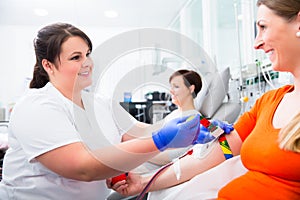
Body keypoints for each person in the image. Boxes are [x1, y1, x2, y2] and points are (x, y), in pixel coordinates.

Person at [107, 0, 300, 199]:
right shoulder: (268, 102)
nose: (256, 42)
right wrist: (142, 182)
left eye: (263, 27)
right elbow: (225, 150)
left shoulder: (195, 118)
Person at [0, 22, 212, 200]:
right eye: (76, 57)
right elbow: (84, 167)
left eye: (88, 54)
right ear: (48, 65)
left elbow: (140, 133)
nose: (88, 63)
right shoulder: (37, 107)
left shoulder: (100, 103)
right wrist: (163, 139)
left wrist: (199, 128)